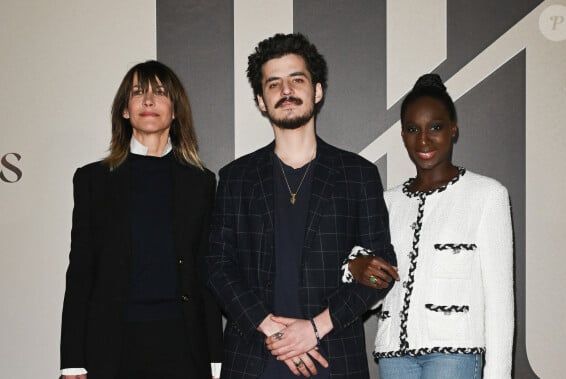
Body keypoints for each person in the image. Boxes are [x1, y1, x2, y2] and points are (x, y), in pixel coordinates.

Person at [205, 33, 398, 379]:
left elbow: (379, 269)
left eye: (297, 79)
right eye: (273, 83)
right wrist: (271, 329)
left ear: (317, 91)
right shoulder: (236, 178)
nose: (286, 90)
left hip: (333, 357)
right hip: (255, 358)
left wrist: (315, 328)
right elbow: (218, 266)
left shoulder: (357, 175)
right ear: (261, 101)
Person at [60, 60, 223, 379]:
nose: (148, 100)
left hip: (182, 346)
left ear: (175, 111)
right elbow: (80, 273)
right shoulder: (93, 180)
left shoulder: (201, 182)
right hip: (111, 345)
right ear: (125, 110)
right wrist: (72, 360)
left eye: (160, 93)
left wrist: (215, 358)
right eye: (138, 92)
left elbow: (207, 273)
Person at [345, 73, 514, 378]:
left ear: (453, 129)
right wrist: (355, 268)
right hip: (394, 355)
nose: (423, 140)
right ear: (402, 135)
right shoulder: (387, 202)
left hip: (455, 356)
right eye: (413, 129)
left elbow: (500, 301)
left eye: (435, 127)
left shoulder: (487, 195)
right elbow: (375, 291)